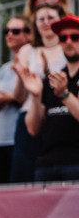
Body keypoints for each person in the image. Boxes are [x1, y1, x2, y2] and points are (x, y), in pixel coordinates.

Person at [19, 14, 79, 182]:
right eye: (63, 37)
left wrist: (64, 95)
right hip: (47, 164)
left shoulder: (58, 82)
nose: (68, 41)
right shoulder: (54, 78)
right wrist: (36, 96)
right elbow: (33, 128)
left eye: (75, 37)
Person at [11, 1, 66, 182]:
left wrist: (47, 71)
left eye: (51, 17)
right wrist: (20, 75)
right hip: (30, 114)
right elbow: (19, 95)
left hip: (59, 116)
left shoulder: (68, 46)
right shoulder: (27, 50)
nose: (45, 22)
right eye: (40, 18)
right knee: (24, 172)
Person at [0, 17, 31, 183]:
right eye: (7, 31)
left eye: (16, 31)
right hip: (0, 139)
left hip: (20, 139)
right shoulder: (4, 69)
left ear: (28, 35)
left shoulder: (33, 65)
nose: (10, 35)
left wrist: (11, 98)